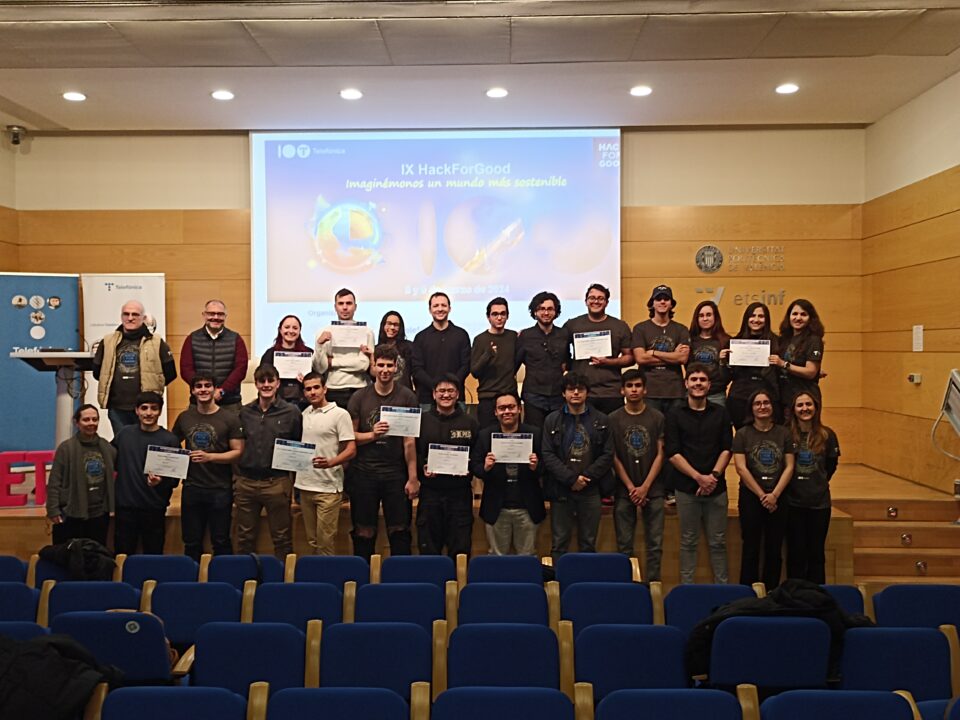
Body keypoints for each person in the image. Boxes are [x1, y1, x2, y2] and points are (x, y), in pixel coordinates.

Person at [347, 344, 420, 561]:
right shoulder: (359, 397)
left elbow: (409, 442)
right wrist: (372, 435)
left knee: (400, 532)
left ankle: (400, 578)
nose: (385, 370)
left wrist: (413, 478)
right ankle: (362, 577)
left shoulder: (407, 397)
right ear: (373, 366)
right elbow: (350, 437)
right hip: (364, 474)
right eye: (381, 365)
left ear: (396, 367)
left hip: (395, 474)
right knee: (363, 533)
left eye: (389, 365)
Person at [665, 364, 733, 584]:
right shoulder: (674, 414)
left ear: (709, 385)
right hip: (686, 489)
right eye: (693, 379)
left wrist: (713, 476)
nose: (698, 383)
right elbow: (673, 453)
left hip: (716, 488)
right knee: (688, 541)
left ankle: (723, 590)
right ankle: (687, 590)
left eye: (702, 380)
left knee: (718, 543)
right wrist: (699, 478)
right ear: (686, 384)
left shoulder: (721, 413)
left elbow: (727, 449)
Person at [541, 373, 613, 561]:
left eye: (580, 389)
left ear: (587, 392)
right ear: (563, 393)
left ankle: (586, 580)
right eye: (571, 389)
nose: (575, 393)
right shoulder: (552, 420)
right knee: (559, 543)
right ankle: (558, 580)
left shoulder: (602, 420)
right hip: (561, 489)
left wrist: (586, 478)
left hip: (591, 489)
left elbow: (608, 454)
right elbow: (547, 454)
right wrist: (571, 479)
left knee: (588, 544)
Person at [172, 375, 244, 562]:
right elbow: (171, 445)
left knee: (221, 541)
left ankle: (224, 578)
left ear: (215, 389)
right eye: (198, 386)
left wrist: (210, 457)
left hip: (220, 488)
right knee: (191, 542)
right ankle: (192, 579)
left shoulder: (230, 418)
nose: (203, 389)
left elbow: (238, 453)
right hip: (192, 487)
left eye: (207, 385)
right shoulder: (184, 417)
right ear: (192, 391)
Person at [235, 364, 303, 559]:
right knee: (244, 538)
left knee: (282, 538)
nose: (266, 385)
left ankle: (282, 577)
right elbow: (237, 445)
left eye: (270, 380)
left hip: (277, 483)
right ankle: (246, 575)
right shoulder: (244, 412)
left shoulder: (291, 412)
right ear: (256, 384)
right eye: (261, 381)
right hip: (246, 483)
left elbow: (297, 444)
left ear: (278, 383)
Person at [732, 389, 796, 590]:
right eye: (757, 403)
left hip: (778, 496)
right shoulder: (742, 434)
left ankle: (772, 592)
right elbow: (741, 468)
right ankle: (747, 593)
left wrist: (774, 495)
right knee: (750, 547)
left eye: (766, 402)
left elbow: (790, 466)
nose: (762, 407)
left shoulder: (784, 433)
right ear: (751, 408)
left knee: (774, 548)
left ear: (772, 406)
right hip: (751, 496)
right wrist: (762, 495)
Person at [471, 391, 545, 556]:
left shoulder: (535, 434)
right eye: (502, 408)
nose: (507, 411)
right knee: (496, 558)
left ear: (519, 409)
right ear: (495, 412)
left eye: (511, 407)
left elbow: (547, 466)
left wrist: (536, 467)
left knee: (528, 557)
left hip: (528, 506)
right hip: (496, 507)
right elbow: (475, 467)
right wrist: (485, 467)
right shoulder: (485, 435)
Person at [609, 370, 666, 581]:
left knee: (655, 545)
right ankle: (626, 587)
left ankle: (653, 588)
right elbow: (613, 456)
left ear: (645, 389)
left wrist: (645, 487)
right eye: (629, 386)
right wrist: (631, 487)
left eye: (638, 385)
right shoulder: (613, 418)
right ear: (622, 390)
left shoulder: (657, 417)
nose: (634, 390)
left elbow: (661, 454)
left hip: (654, 489)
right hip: (624, 490)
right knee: (624, 546)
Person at [416, 374, 479, 558]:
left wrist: (468, 467)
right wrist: (422, 467)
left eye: (450, 391)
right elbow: (414, 452)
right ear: (434, 394)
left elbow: (477, 454)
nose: (446, 395)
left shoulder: (470, 423)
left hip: (459, 493)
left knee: (460, 549)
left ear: (458, 394)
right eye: (441, 391)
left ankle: (459, 578)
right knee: (429, 549)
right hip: (430, 493)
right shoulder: (421, 421)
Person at [92, 299, 177, 435]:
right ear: (121, 317)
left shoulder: (157, 342)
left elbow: (171, 373)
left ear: (143, 318)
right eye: (126, 314)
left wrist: (153, 386)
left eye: (135, 314)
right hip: (117, 408)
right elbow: (98, 372)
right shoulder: (107, 341)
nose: (130, 318)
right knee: (123, 444)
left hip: (146, 408)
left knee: (145, 443)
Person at [296, 371, 356, 556]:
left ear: (325, 389)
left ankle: (327, 574)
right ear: (304, 393)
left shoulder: (340, 414)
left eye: (316, 387)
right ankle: (314, 575)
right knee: (312, 541)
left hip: (329, 488)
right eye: (308, 389)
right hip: (304, 486)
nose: (312, 392)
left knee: (325, 542)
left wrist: (331, 462)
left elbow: (351, 449)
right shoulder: (303, 414)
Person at [113, 391, 181, 555]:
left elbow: (174, 480)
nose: (149, 413)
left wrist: (161, 481)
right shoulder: (124, 434)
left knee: (153, 556)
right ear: (137, 411)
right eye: (144, 408)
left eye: (154, 408)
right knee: (123, 556)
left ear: (160, 411)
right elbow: (110, 460)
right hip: (125, 507)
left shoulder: (170, 440)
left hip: (154, 508)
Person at [785, 392, 840, 584]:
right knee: (796, 553)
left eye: (808, 404)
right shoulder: (785, 434)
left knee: (816, 553)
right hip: (793, 502)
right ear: (793, 410)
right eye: (800, 405)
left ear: (816, 408)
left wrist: (816, 483)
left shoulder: (828, 435)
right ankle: (795, 594)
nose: (805, 409)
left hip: (819, 503)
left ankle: (816, 593)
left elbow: (831, 466)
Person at [46, 404, 117, 546]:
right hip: (71, 514)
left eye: (95, 419)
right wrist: (53, 510)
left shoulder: (107, 447)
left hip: (99, 514)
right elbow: (55, 481)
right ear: (76, 423)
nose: (91, 423)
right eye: (86, 419)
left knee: (95, 554)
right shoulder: (66, 448)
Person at [563, 283, 635, 415]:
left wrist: (608, 362)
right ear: (586, 301)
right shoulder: (572, 325)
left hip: (611, 392)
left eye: (600, 298)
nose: (596, 301)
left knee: (611, 427)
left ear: (607, 302)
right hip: (581, 391)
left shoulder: (620, 326)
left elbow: (630, 358)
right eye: (592, 298)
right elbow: (561, 352)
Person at [632, 285, 691, 416]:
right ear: (652, 303)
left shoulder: (681, 329)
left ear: (671, 304)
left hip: (675, 391)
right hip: (649, 391)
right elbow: (640, 358)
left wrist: (653, 353)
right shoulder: (640, 328)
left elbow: (682, 358)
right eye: (658, 299)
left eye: (666, 299)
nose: (662, 302)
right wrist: (673, 356)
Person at [180, 299, 248, 412]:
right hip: (199, 403)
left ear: (225, 316)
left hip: (229, 403)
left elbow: (240, 369)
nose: (216, 317)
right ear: (204, 315)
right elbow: (186, 369)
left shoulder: (236, 339)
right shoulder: (192, 338)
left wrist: (222, 391)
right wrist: (202, 389)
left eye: (220, 314)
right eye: (211, 314)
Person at [515, 291, 570, 430]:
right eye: (541, 309)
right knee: (535, 435)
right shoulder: (525, 335)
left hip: (558, 395)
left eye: (550, 309)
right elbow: (515, 364)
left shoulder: (564, 334)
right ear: (535, 312)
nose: (546, 313)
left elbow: (567, 361)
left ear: (556, 312)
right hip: (533, 395)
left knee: (558, 434)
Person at [313, 288, 374, 410]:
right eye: (341, 303)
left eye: (349, 303)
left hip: (359, 388)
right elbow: (320, 368)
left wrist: (332, 362)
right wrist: (319, 345)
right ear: (335, 307)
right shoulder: (323, 333)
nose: (345, 307)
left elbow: (362, 365)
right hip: (333, 388)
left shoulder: (366, 332)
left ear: (355, 307)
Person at [724, 302, 781, 428]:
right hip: (739, 398)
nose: (756, 320)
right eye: (753, 316)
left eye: (761, 316)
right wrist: (723, 361)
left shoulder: (777, 342)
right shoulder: (735, 342)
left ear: (767, 319)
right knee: (742, 435)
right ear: (746, 318)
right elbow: (727, 376)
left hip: (767, 398)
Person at [412, 291, 471, 408]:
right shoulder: (420, 337)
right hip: (427, 399)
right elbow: (417, 369)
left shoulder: (461, 335)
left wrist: (451, 387)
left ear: (449, 308)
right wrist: (436, 387)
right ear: (430, 310)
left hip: (456, 399)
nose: (440, 309)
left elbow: (466, 365)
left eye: (443, 305)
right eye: (436, 306)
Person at [471, 297, 518, 430]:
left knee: (512, 437)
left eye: (503, 314)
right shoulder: (480, 339)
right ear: (488, 317)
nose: (499, 318)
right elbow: (475, 371)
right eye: (495, 314)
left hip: (509, 396)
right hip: (488, 398)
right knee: (486, 436)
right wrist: (488, 354)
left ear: (507, 316)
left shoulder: (513, 337)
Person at [772, 299, 825, 414]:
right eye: (794, 314)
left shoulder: (813, 340)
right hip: (784, 397)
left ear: (810, 318)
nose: (798, 318)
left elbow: (810, 372)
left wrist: (783, 364)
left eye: (803, 314)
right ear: (789, 317)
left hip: (804, 398)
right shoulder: (785, 339)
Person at [261, 314, 313, 408]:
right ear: (280, 330)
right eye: (287, 327)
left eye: (295, 328)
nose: (291, 331)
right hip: (276, 403)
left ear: (299, 331)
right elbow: (262, 379)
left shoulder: (309, 353)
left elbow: (317, 379)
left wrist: (307, 381)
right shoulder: (270, 354)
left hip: (304, 402)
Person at [688, 300, 730, 406]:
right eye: (701, 316)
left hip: (717, 394)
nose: (705, 318)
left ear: (715, 317)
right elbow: (688, 368)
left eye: (708, 315)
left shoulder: (725, 341)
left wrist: (722, 362)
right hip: (694, 392)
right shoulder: (690, 340)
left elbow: (729, 375)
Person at [377, 310, 415, 390]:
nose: (392, 327)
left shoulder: (409, 347)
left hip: (404, 392)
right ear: (383, 325)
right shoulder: (376, 349)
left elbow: (415, 372)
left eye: (396, 325)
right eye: (389, 323)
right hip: (382, 392)